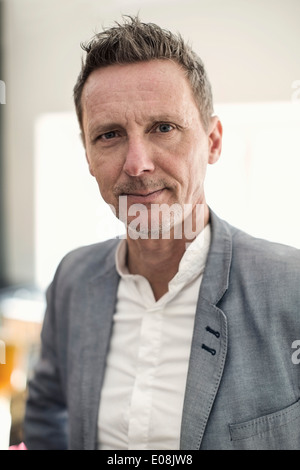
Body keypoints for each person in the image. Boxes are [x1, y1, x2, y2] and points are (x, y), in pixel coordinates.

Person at [24, 16, 300, 450]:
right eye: (109, 135)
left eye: (164, 128)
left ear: (212, 141)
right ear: (88, 157)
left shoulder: (291, 287)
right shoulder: (72, 281)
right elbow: (46, 410)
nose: (137, 164)